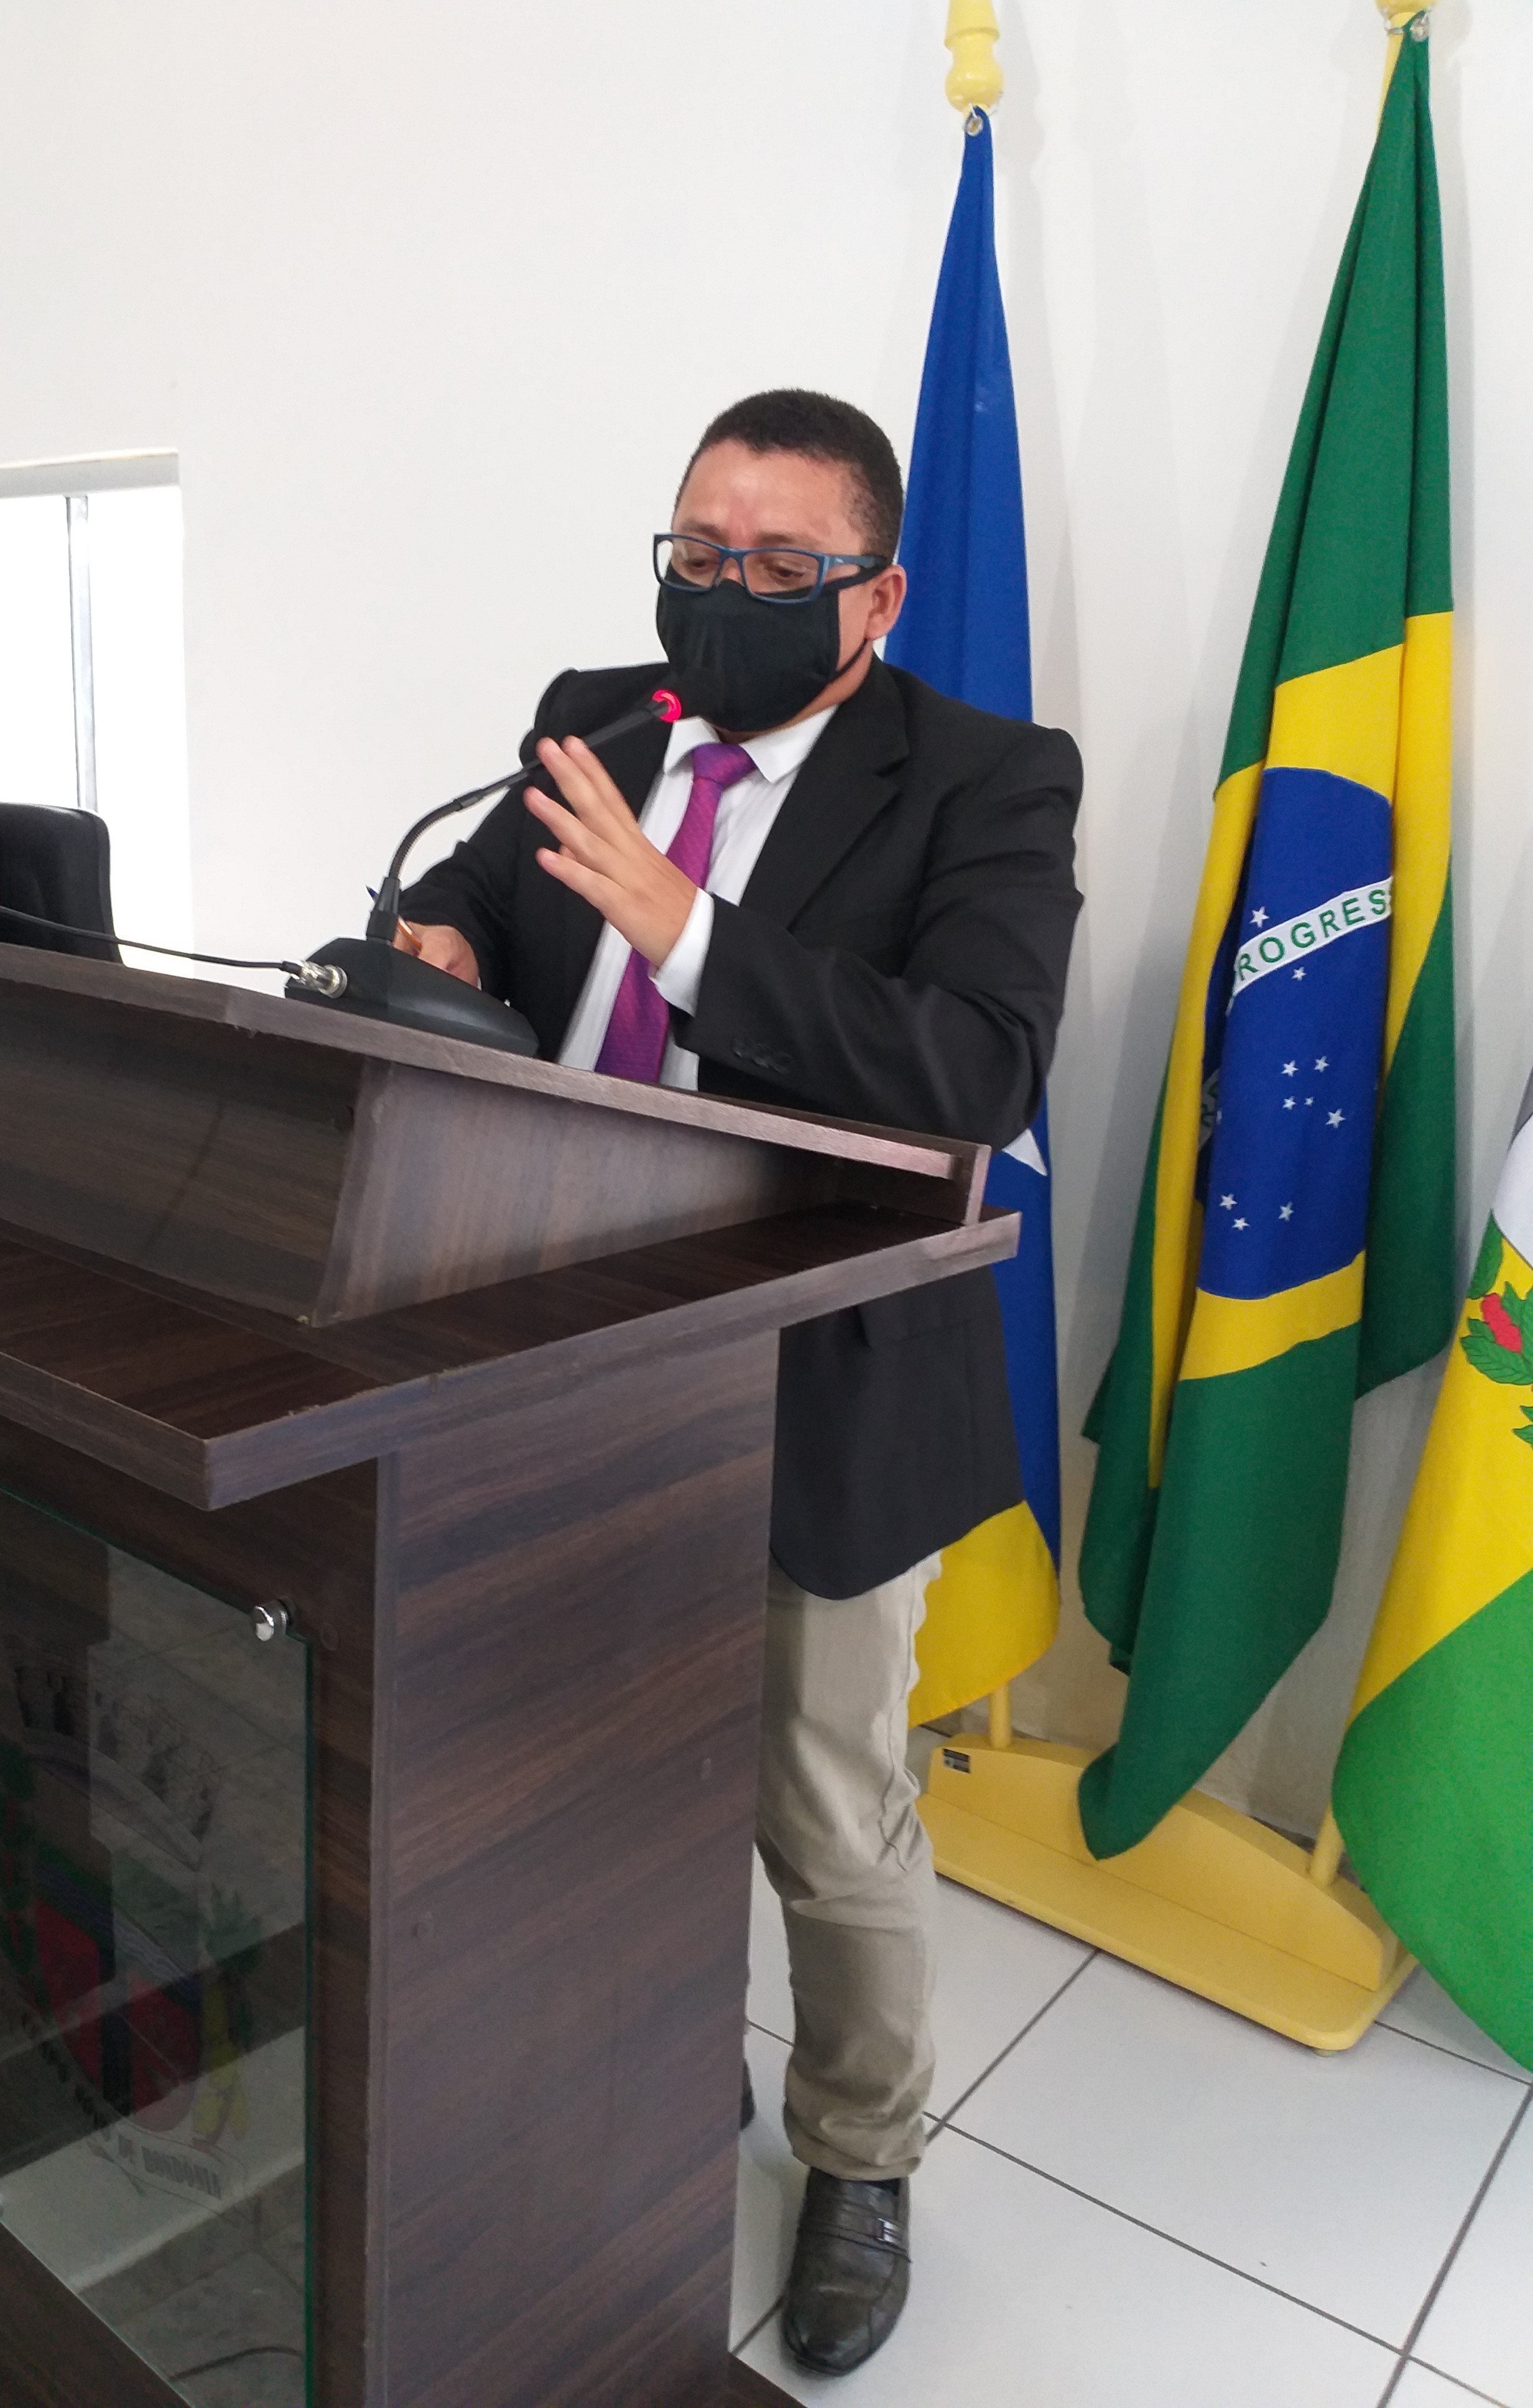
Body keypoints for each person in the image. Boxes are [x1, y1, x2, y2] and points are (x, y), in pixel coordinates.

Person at [400, 389, 1083, 2375]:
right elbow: (475, 909)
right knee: (584, 1754)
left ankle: (859, 2153)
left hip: (817, 1373)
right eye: (700, 553)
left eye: (780, 565)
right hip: (551, 1345)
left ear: (875, 595)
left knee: (820, 1804)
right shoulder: (599, 719)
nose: (727, 591)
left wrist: (688, 931)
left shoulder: (985, 777)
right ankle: (648, 2044)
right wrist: (432, 939)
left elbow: (977, 1069)